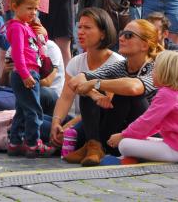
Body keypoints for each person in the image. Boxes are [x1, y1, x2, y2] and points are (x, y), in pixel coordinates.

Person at [63, 19, 164, 166]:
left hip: (152, 133)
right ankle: (94, 146)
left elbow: (134, 88)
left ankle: (98, 146)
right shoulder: (121, 65)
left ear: (144, 45)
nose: (121, 38)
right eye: (122, 33)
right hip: (122, 131)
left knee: (127, 92)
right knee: (92, 90)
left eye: (128, 35)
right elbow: (76, 82)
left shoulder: (156, 67)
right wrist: (93, 93)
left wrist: (94, 83)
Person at [107, 50, 178, 164]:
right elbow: (155, 124)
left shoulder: (167, 94)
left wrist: (123, 135)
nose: (152, 73)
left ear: (166, 73)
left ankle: (130, 160)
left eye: (155, 70)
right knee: (131, 140)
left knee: (124, 144)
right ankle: (137, 157)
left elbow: (147, 121)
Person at [50, 8, 123, 148]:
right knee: (42, 125)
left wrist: (70, 125)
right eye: (80, 27)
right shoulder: (76, 61)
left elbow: (106, 105)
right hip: (78, 120)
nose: (81, 32)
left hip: (101, 124)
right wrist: (56, 122)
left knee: (60, 134)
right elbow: (65, 97)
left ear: (103, 34)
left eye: (87, 27)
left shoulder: (117, 63)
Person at [2, 0, 55, 157]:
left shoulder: (26, 26)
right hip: (26, 73)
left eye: (36, 9)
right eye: (29, 8)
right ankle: (33, 143)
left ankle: (15, 142)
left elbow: (39, 43)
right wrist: (25, 74)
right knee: (34, 110)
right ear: (15, 6)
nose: (33, 12)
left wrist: (41, 31)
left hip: (30, 72)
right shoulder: (17, 27)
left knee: (23, 109)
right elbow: (17, 53)